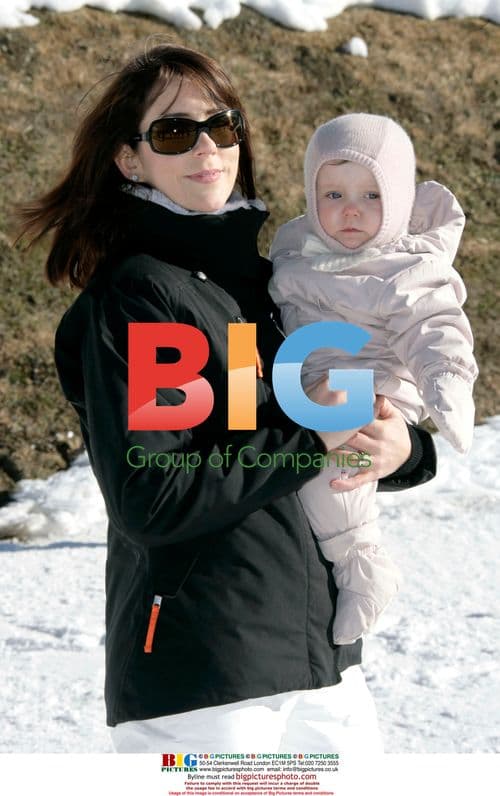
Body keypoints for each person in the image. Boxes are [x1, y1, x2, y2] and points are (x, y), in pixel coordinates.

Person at [16, 46, 437, 754]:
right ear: (129, 160)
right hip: (208, 676)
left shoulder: (272, 287)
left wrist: (402, 450)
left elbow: (335, 417)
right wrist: (310, 442)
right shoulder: (147, 300)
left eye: (223, 125)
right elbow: (156, 491)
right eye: (175, 133)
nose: (207, 147)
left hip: (317, 661)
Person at [269, 113, 478, 647]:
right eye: (333, 194)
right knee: (295, 464)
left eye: (371, 195)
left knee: (328, 475)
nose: (351, 210)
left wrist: (447, 383)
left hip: (366, 387)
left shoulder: (406, 266)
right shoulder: (296, 249)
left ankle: (363, 565)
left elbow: (437, 327)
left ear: (401, 201)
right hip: (305, 381)